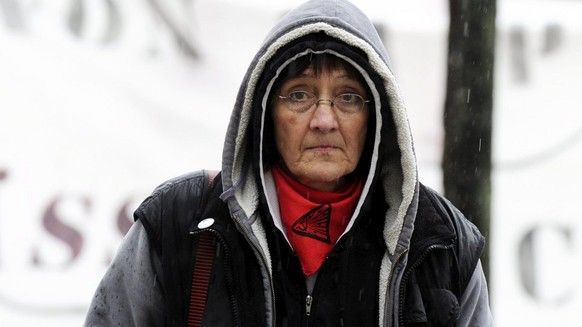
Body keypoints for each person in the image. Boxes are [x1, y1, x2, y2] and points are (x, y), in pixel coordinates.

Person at [84, 0, 494, 326]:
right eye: (299, 94)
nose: (323, 120)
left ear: (378, 116)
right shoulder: (180, 225)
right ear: (265, 112)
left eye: (349, 96)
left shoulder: (440, 246)